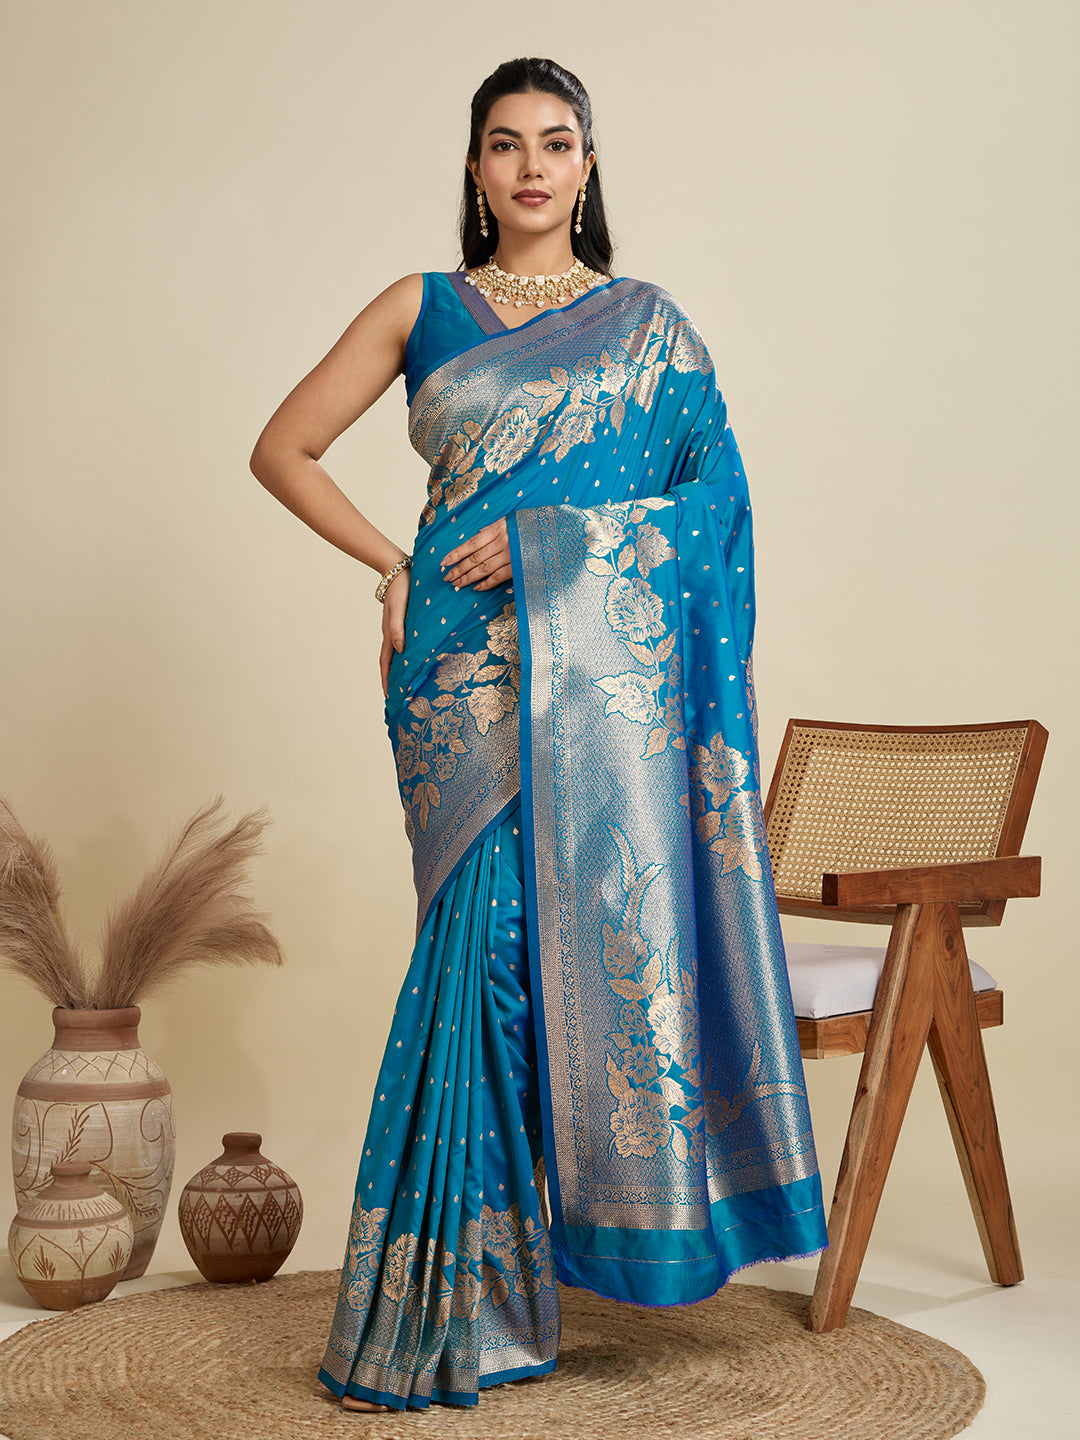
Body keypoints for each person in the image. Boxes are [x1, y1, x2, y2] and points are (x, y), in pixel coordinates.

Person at [250, 56, 829, 1415]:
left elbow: (716, 507)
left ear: (586, 166)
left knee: (537, 957)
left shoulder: (649, 327)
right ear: (475, 167)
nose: (530, 166)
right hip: (460, 675)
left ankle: (496, 1297)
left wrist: (553, 542)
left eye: (555, 143)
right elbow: (283, 448)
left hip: (595, 678)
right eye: (505, 144)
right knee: (484, 951)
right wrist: (394, 567)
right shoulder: (421, 305)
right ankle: (453, 1304)